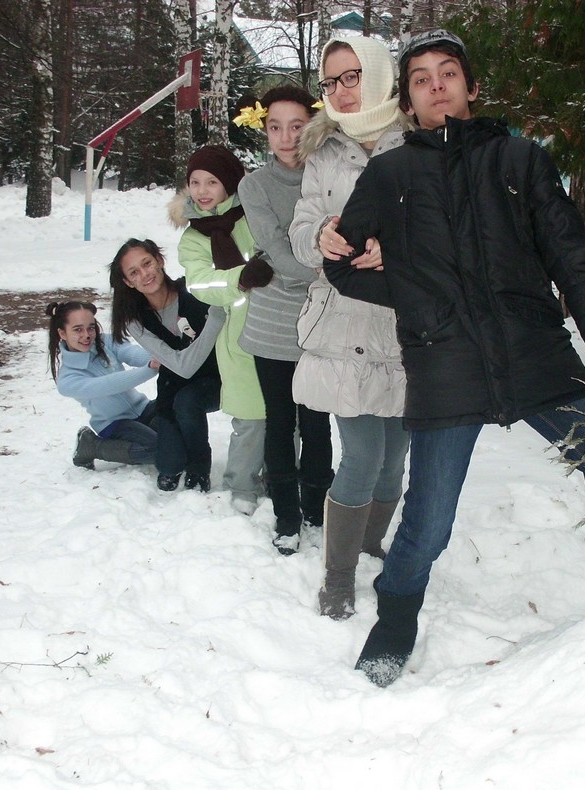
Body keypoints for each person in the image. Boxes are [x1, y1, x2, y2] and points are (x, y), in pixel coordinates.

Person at [323, 29, 585, 686]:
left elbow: (573, 255)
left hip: (537, 358)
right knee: (427, 528)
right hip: (445, 369)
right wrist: (406, 290)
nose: (437, 85)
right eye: (421, 79)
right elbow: (341, 267)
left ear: (471, 87)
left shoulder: (519, 160)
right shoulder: (389, 175)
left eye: (448, 72)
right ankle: (393, 626)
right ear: (408, 101)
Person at [288, 36, 411, 613]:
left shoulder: (419, 139)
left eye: (352, 76)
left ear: (381, 74)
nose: (339, 91)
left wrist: (397, 247)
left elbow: (444, 227)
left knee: (395, 456)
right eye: (330, 81)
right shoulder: (324, 149)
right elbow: (300, 229)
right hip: (341, 326)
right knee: (362, 452)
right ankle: (338, 577)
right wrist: (320, 235)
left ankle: (368, 543)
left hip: (405, 325)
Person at [236, 86, 335, 547]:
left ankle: (316, 509)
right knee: (279, 420)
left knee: (316, 422)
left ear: (314, 126)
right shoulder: (254, 185)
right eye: (275, 127)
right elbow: (274, 249)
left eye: (297, 126)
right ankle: (286, 518)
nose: (286, 137)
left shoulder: (329, 175)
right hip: (274, 323)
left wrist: (325, 272)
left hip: (323, 322)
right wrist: (326, 272)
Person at [168, 145, 272, 517]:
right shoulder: (194, 238)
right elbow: (200, 284)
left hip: (279, 327)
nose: (202, 190)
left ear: (229, 182)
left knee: (285, 415)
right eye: (195, 182)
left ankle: (281, 478)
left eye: (211, 181)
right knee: (250, 417)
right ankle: (242, 485)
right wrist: (241, 277)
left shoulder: (255, 214)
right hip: (237, 337)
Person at [108, 239, 225, 492]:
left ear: (159, 261)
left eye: (147, 263)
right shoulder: (136, 320)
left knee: (188, 402)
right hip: (174, 385)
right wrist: (215, 320)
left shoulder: (195, 291)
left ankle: (199, 467)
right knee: (169, 464)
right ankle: (156, 419)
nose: (145, 274)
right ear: (128, 282)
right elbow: (183, 368)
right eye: (134, 272)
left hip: (217, 378)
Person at [46, 299, 160, 470]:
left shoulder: (105, 342)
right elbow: (109, 385)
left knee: (181, 409)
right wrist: (151, 368)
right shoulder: (68, 379)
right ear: (62, 333)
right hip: (115, 424)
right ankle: (92, 446)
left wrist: (161, 358)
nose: (87, 335)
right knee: (160, 450)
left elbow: (132, 353)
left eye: (91, 328)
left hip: (143, 408)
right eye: (78, 329)